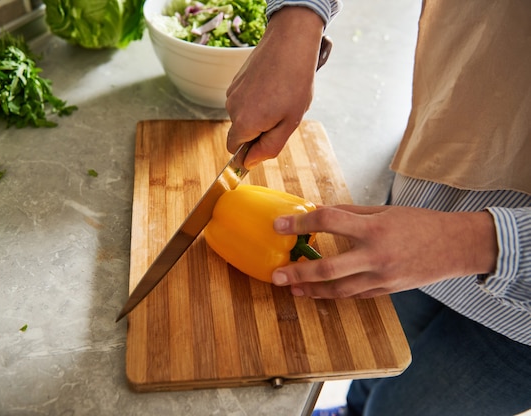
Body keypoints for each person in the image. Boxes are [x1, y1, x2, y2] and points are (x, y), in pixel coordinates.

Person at [225, 0, 531, 415]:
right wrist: (297, 18)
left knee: (401, 408)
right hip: (422, 192)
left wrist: (469, 243)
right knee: (373, 367)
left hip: (519, 323)